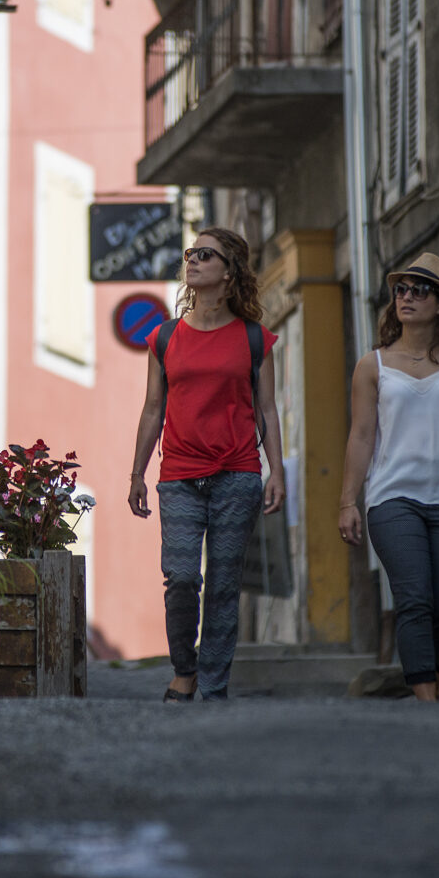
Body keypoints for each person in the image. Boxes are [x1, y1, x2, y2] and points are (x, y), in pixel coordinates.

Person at [128, 227, 286, 702]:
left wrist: (275, 469)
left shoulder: (254, 339)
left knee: (222, 584)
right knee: (180, 578)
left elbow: (267, 409)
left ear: (229, 270)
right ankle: (184, 669)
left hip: (237, 474)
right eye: (190, 254)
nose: (192, 261)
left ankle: (212, 685)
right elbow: (153, 408)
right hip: (177, 476)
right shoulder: (164, 336)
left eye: (205, 254)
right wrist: (136, 472)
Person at [338, 252, 439, 702]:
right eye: (401, 289)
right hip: (394, 499)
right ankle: (426, 702)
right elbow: (361, 435)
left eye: (420, 289)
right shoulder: (372, 366)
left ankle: (438, 675)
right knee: (414, 600)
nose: (407, 297)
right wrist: (348, 500)